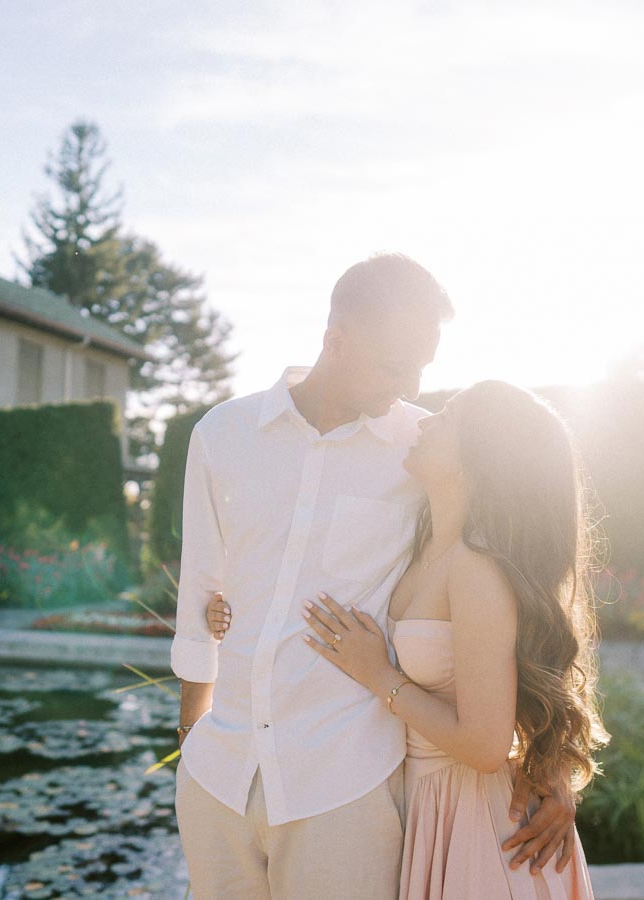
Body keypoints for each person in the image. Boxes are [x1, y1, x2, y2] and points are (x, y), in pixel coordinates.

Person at [171, 255, 579, 900]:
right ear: (337, 340)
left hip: (345, 782)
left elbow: (524, 592)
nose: (412, 384)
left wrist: (550, 767)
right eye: (396, 365)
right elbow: (201, 587)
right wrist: (192, 730)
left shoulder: (426, 447)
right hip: (218, 772)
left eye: (423, 366)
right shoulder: (223, 433)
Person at [208, 380, 607, 898]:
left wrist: (381, 677)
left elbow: (486, 746)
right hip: (424, 806)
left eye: (446, 417)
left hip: (479, 822)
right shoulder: (418, 546)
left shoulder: (475, 570)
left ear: (477, 458)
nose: (424, 421)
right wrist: (227, 608)